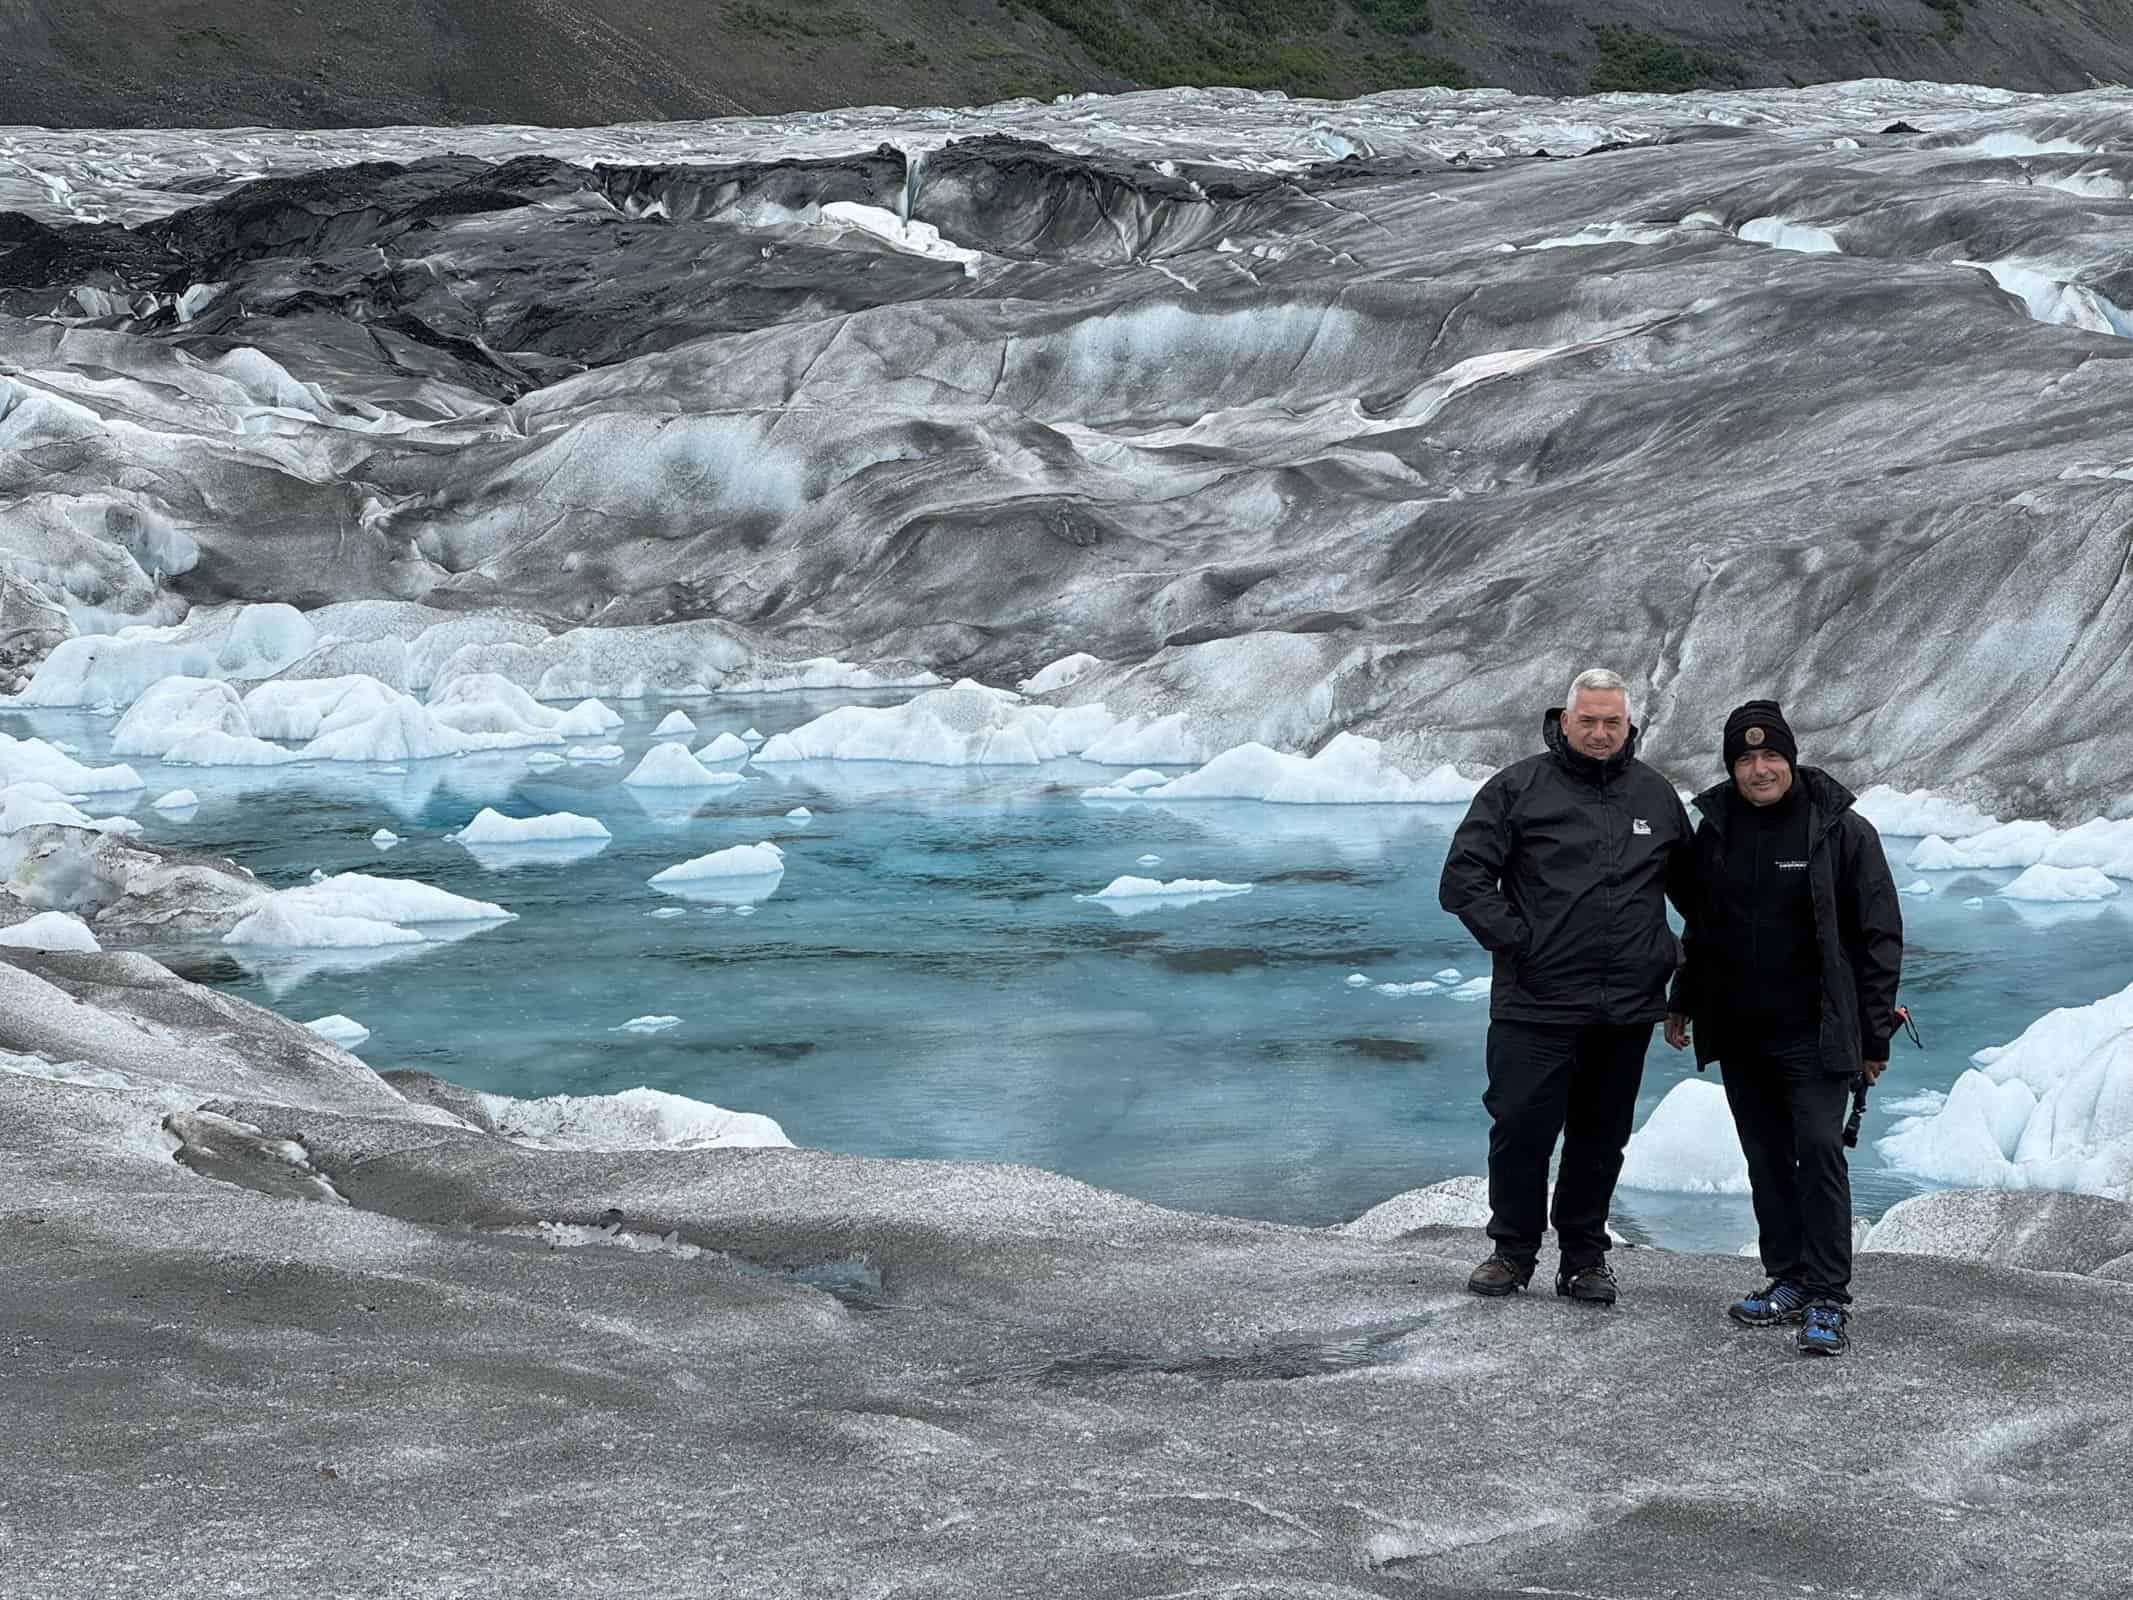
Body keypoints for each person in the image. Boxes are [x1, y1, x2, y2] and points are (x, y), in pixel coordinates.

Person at [1439, 668, 1694, 1306]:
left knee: (1601, 1136)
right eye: (1589, 721)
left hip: (1627, 1004)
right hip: (1536, 1001)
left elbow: (1699, 895)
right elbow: (1462, 878)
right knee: (1521, 1126)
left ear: (1629, 724)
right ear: (1565, 720)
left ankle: (1584, 1258)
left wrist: (1682, 971)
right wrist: (1520, 940)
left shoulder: (1656, 796)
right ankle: (1512, 1251)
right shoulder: (1517, 789)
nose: (1601, 733)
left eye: (1612, 722)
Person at [1663, 700, 1903, 1356]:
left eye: (1770, 756)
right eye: (1745, 758)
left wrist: (1874, 1038)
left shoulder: (1840, 831)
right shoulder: (1715, 832)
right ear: (1731, 767)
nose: (1759, 768)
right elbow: (1702, 927)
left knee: (1819, 1150)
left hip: (1815, 1030)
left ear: (1790, 760)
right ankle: (1788, 1277)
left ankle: (1828, 1295)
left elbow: (1879, 938)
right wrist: (1681, 1000)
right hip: (1739, 1028)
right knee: (1765, 1156)